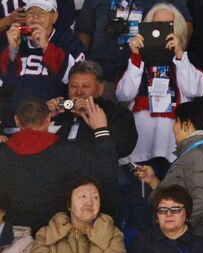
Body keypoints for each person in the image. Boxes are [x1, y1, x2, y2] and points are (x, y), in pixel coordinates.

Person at [0, 97, 118, 231]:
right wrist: (101, 129)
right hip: (56, 236)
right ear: (49, 119)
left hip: (13, 235)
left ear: (17, 120)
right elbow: (107, 174)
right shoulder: (67, 152)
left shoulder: (3, 153)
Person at [116, 3, 203, 165]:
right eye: (156, 24)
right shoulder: (137, 58)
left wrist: (180, 55)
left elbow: (195, 90)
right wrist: (136, 57)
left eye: (167, 25)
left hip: (172, 145)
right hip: (139, 144)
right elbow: (124, 94)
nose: (161, 29)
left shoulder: (187, 58)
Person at [134, 100, 203, 244]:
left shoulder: (197, 154)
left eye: (176, 122)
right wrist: (153, 181)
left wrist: (175, 227)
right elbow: (178, 193)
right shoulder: (196, 152)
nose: (173, 127)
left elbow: (202, 201)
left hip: (190, 241)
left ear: (186, 124)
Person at [0, 0, 85, 125]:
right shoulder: (12, 40)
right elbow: (4, 88)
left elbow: (82, 98)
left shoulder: (69, 41)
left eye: (42, 12)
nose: (35, 17)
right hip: (15, 126)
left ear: (54, 17)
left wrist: (61, 105)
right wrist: (12, 50)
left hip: (56, 127)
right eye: (31, 12)